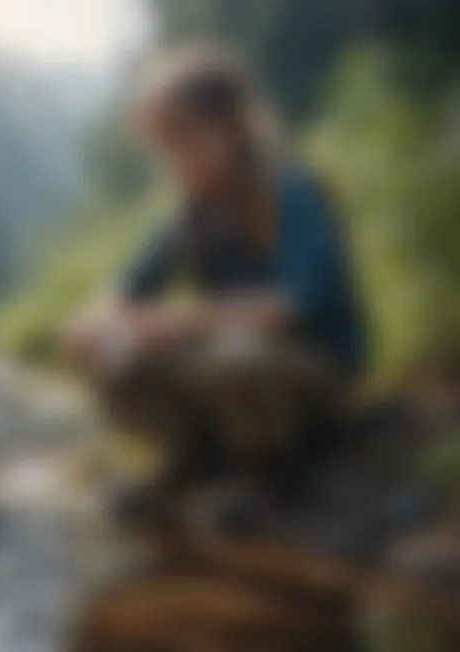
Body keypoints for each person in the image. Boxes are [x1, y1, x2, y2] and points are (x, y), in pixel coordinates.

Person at [63, 44, 366, 521]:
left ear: (231, 126)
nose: (176, 161)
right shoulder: (192, 212)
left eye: (184, 141)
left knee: (234, 357)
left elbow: (289, 308)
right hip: (242, 368)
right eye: (165, 148)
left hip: (311, 366)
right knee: (118, 361)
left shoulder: (291, 190)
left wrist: (181, 321)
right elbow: (128, 288)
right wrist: (93, 325)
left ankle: (271, 471)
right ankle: (195, 460)